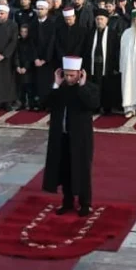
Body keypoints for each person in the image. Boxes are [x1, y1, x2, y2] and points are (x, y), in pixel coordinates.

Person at [42, 56, 99, 217]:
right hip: (62, 136)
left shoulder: (89, 88)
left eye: (72, 75)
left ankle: (85, 203)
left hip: (81, 139)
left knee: (82, 169)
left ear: (80, 74)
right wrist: (56, 84)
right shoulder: (60, 88)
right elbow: (46, 103)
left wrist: (82, 86)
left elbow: (93, 104)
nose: (68, 78)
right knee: (65, 168)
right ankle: (67, 201)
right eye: (66, 75)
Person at [86, 9, 123, 115]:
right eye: (97, 19)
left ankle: (107, 107)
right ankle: (95, 106)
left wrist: (116, 65)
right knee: (94, 86)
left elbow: (116, 50)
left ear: (107, 20)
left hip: (108, 65)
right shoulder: (90, 33)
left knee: (107, 86)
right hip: (94, 65)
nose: (99, 21)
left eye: (102, 19)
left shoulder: (113, 34)